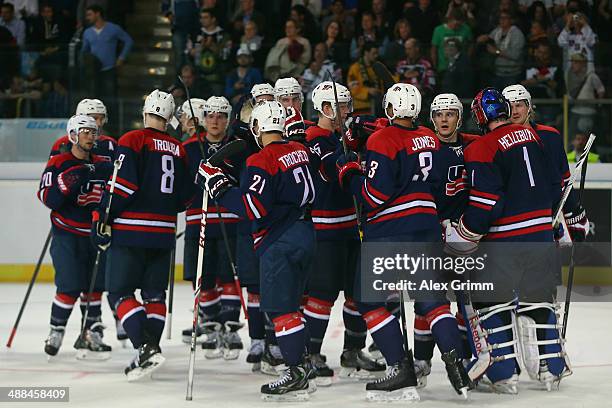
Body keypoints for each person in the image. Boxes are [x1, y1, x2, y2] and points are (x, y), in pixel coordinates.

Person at [336, 83, 469, 400]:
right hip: (426, 226)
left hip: (390, 232)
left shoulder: (381, 139)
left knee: (369, 302)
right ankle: (457, 361)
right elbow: (437, 185)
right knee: (433, 301)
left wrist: (351, 174)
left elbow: (375, 196)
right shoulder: (429, 137)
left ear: (390, 108)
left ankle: (400, 368)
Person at [446, 87, 570, 393]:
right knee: (539, 299)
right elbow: (557, 187)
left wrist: (466, 232)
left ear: (479, 116)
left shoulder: (482, 147)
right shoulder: (536, 137)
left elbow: (487, 202)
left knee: (493, 303)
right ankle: (551, 368)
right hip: (540, 234)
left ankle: (503, 374)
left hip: (505, 239)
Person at [197, 100, 317, 400]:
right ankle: (303, 365)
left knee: (281, 310)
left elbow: (253, 208)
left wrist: (221, 187)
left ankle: (295, 372)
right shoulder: (299, 151)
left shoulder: (260, 160)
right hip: (306, 233)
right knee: (294, 306)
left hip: (280, 239)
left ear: (258, 128)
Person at [92, 89, 193, 381]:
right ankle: (151, 349)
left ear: (145, 110)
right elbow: (186, 198)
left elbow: (121, 186)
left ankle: (145, 348)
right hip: (163, 233)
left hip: (131, 231)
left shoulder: (132, 140)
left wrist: (103, 215)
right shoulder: (179, 147)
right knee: (154, 294)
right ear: (170, 116)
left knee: (120, 292)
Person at [303, 81, 385, 385]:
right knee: (321, 296)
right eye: (342, 106)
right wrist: (352, 144)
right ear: (326, 109)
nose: (348, 111)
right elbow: (331, 169)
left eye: (349, 105)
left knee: (357, 293)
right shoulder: (314, 137)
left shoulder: (338, 136)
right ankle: (309, 354)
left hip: (351, 225)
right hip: (324, 229)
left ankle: (353, 351)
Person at [412, 93, 479, 388]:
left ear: (459, 117)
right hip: (432, 233)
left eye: (449, 114)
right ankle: (421, 360)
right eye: (438, 114)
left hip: (466, 235)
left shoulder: (474, 145)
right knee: (426, 302)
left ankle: (465, 359)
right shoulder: (425, 145)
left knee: (466, 300)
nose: (443, 119)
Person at [38, 114, 114, 360]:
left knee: (95, 288)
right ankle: (56, 330)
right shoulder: (59, 163)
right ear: (73, 134)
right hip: (67, 234)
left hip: (93, 233)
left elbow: (112, 198)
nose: (91, 136)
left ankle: (90, 333)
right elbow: (47, 198)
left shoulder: (104, 164)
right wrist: (65, 182)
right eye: (85, 131)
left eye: (94, 132)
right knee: (69, 286)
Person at [181, 96, 245, 360]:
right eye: (210, 116)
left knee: (229, 277)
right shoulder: (189, 148)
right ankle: (211, 325)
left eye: (221, 116)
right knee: (204, 278)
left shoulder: (237, 148)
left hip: (230, 222)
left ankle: (230, 326)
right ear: (203, 119)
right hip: (199, 221)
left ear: (228, 120)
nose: (215, 121)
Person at [503, 84, 590, 242]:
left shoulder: (550, 136)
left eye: (519, 105)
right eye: (509, 106)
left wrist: (573, 213)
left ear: (529, 107)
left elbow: (564, 180)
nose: (514, 111)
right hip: (514, 220)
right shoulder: (499, 141)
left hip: (546, 217)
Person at [81, 5, 133, 116]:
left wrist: (121, 58)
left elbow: (128, 41)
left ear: (97, 14)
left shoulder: (113, 28)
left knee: (110, 100)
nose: (87, 17)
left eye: (90, 14)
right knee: (94, 101)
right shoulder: (87, 32)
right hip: (94, 71)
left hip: (109, 69)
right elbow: (84, 50)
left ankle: (113, 125)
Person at [50, 99, 116, 161]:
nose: (99, 123)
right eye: (94, 118)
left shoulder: (110, 143)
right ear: (80, 118)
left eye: (102, 119)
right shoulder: (63, 143)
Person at [187, 8, 231, 96]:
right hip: (198, 78)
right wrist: (201, 47)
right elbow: (189, 53)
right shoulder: (195, 34)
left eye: (205, 17)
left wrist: (214, 48)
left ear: (213, 19)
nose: (202, 20)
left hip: (217, 78)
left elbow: (227, 55)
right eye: (201, 18)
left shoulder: (223, 35)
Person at [476, 11, 526, 89]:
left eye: (505, 18)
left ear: (511, 20)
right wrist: (483, 39)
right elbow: (489, 38)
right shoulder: (497, 31)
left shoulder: (517, 34)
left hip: (512, 74)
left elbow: (515, 55)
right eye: (500, 18)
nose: (502, 20)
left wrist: (497, 52)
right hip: (497, 72)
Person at [347, 42, 384, 115]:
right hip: (361, 107)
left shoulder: (378, 67)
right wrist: (368, 91)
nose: (376, 56)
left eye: (377, 53)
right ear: (366, 53)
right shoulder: (355, 68)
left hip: (378, 105)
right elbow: (353, 89)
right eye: (374, 53)